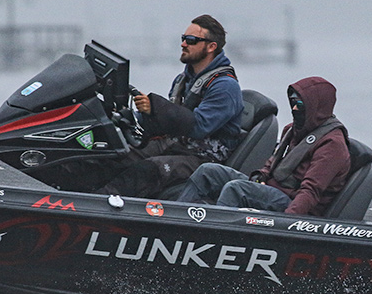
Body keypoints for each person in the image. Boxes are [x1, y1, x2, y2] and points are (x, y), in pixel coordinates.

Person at [98, 14, 244, 197]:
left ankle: (98, 207)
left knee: (147, 171)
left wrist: (155, 107)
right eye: (183, 38)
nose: (183, 44)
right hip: (176, 145)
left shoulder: (225, 86)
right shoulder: (183, 80)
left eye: (191, 40)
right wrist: (132, 116)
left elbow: (199, 126)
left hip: (204, 160)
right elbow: (172, 119)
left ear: (211, 47)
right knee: (117, 156)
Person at [177, 76, 351, 216]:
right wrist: (260, 177)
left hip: (294, 204)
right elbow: (272, 164)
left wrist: (287, 223)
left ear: (316, 107)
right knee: (207, 171)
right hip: (272, 189)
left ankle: (215, 234)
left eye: (299, 105)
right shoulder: (292, 130)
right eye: (292, 103)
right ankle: (179, 221)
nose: (294, 109)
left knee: (236, 189)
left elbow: (311, 191)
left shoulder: (332, 144)